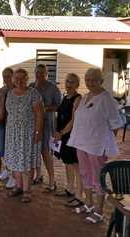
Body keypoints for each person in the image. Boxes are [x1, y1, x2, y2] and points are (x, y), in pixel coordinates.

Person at [67, 68, 122, 224]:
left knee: (98, 178)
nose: (89, 82)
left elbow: (115, 124)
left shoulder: (107, 99)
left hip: (97, 146)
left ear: (101, 81)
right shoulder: (86, 97)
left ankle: (99, 211)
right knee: (85, 174)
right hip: (82, 143)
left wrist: (106, 141)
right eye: (87, 79)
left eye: (93, 80)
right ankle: (89, 204)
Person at [4, 69, 44, 203]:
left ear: (27, 79)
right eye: (16, 78)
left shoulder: (33, 93)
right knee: (16, 162)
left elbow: (40, 114)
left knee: (26, 162)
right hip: (13, 134)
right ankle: (18, 186)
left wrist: (38, 132)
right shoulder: (10, 93)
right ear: (13, 80)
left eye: (22, 78)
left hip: (28, 134)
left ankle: (27, 190)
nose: (19, 81)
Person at [53, 73, 83, 206]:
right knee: (67, 163)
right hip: (62, 135)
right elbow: (58, 114)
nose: (68, 84)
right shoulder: (65, 97)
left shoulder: (78, 98)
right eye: (67, 81)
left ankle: (78, 194)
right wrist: (56, 131)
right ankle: (70, 189)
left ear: (77, 84)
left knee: (76, 166)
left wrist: (62, 132)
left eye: (71, 82)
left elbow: (74, 119)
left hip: (71, 136)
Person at [31, 64, 61, 191]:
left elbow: (58, 106)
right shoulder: (31, 87)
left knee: (45, 152)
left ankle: (52, 180)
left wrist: (45, 108)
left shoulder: (53, 88)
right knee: (34, 150)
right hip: (32, 123)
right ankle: (38, 175)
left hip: (47, 123)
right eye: (37, 72)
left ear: (46, 74)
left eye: (42, 73)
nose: (40, 75)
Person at [0, 67, 16, 189]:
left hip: (14, 124)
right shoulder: (2, 90)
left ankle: (14, 176)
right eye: (4, 76)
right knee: (5, 148)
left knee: (14, 149)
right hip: (3, 123)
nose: (6, 79)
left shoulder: (17, 90)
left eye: (8, 76)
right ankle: (7, 169)